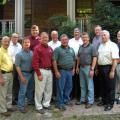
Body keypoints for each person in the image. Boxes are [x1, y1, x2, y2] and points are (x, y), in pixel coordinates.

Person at [97, 30, 119, 111]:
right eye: (102, 35)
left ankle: (110, 103)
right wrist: (97, 68)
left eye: (104, 35)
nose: (103, 36)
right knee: (103, 86)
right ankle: (104, 101)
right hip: (101, 68)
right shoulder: (100, 45)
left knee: (110, 87)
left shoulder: (113, 45)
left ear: (108, 36)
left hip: (109, 68)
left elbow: (115, 59)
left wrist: (112, 71)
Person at [53, 34, 75, 111]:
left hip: (70, 71)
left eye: (66, 39)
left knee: (69, 87)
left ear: (68, 40)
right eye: (63, 40)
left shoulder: (71, 49)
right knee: (60, 88)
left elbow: (73, 60)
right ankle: (60, 103)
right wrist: (56, 71)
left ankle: (66, 100)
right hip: (61, 71)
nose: (64, 41)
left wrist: (73, 69)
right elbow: (54, 61)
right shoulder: (57, 49)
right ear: (60, 41)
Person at [32, 32, 53, 114]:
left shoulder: (50, 48)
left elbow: (52, 60)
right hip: (41, 71)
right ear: (40, 38)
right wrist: (38, 73)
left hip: (49, 71)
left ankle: (46, 104)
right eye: (43, 37)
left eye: (46, 37)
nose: (45, 39)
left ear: (48, 38)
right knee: (39, 90)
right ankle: (38, 106)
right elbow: (34, 62)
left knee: (48, 89)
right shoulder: (37, 48)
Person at [76, 32, 97, 108]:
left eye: (86, 37)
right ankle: (83, 99)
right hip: (81, 68)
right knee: (82, 85)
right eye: (83, 37)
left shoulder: (92, 47)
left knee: (89, 85)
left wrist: (92, 69)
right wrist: (77, 67)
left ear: (88, 38)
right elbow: (78, 57)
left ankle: (90, 101)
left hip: (88, 68)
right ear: (82, 38)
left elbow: (95, 58)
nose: (84, 38)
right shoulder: (80, 47)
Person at [15, 38, 34, 113]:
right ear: (22, 44)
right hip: (23, 74)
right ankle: (21, 106)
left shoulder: (32, 52)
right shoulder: (19, 54)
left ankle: (30, 101)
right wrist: (21, 76)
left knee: (30, 89)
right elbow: (17, 66)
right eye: (25, 42)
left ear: (30, 44)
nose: (27, 44)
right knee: (23, 91)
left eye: (28, 42)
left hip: (31, 73)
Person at [0, 36, 15, 117]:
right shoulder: (0, 51)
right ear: (2, 42)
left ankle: (8, 106)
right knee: (3, 94)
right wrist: (1, 78)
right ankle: (3, 110)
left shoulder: (9, 50)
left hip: (10, 74)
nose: (6, 43)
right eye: (5, 41)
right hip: (3, 75)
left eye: (8, 41)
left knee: (9, 92)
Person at [69, 28, 83, 100]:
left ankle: (78, 95)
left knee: (79, 80)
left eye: (77, 32)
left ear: (80, 33)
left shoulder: (82, 40)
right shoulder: (70, 41)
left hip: (80, 63)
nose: (76, 33)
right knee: (72, 80)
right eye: (75, 32)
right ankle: (72, 95)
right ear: (73, 33)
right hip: (72, 62)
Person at [8, 33, 22, 105]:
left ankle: (16, 97)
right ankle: (12, 99)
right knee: (13, 83)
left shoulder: (19, 45)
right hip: (11, 66)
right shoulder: (8, 45)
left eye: (17, 37)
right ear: (11, 38)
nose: (15, 38)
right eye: (14, 37)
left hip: (19, 66)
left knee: (18, 82)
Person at [48, 30, 61, 101]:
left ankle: (57, 95)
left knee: (58, 81)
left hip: (59, 65)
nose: (54, 36)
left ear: (57, 36)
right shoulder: (48, 44)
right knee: (51, 82)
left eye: (55, 35)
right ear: (51, 36)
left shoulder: (60, 43)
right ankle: (52, 96)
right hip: (50, 66)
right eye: (53, 35)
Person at [92, 25, 102, 102]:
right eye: (96, 30)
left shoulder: (103, 38)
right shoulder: (94, 39)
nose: (97, 31)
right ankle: (97, 95)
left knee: (100, 79)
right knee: (96, 79)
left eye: (98, 30)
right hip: (95, 61)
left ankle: (101, 95)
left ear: (101, 30)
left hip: (101, 62)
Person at [115, 30, 120, 104]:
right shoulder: (117, 44)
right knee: (117, 81)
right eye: (118, 34)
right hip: (116, 65)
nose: (119, 35)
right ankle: (117, 97)